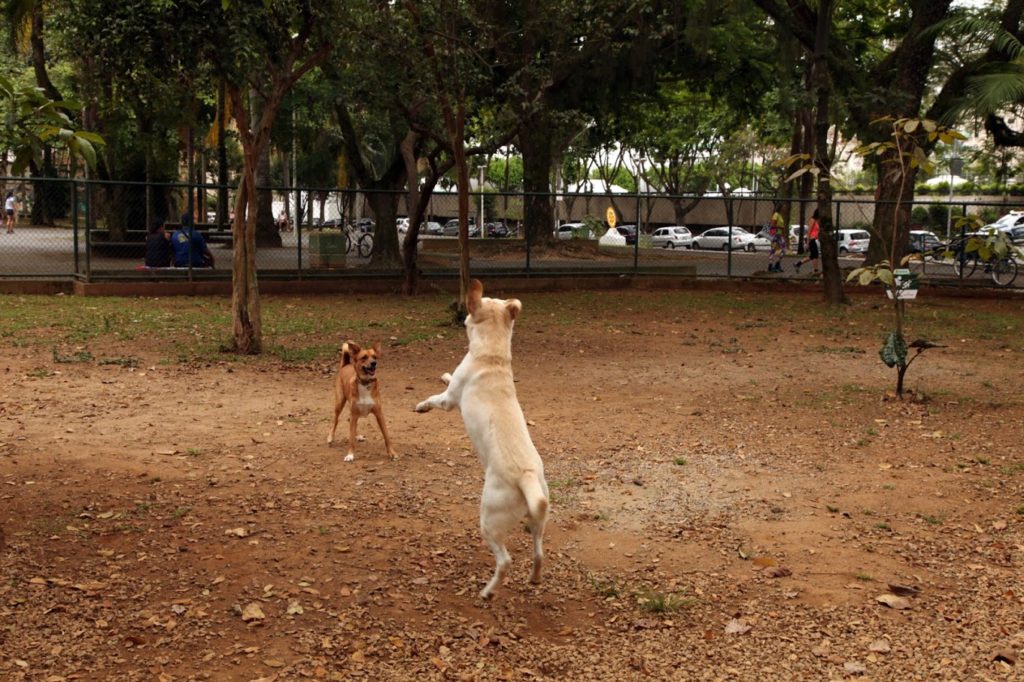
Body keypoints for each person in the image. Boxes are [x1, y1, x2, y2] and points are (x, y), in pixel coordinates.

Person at [794, 209, 821, 275]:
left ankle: (798, 264)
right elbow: (809, 232)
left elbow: (816, 232)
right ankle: (816, 270)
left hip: (813, 239)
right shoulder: (812, 220)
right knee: (815, 255)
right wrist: (807, 243)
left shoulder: (817, 221)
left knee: (812, 256)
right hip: (810, 239)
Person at [767, 202, 787, 273]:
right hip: (775, 234)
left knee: (784, 249)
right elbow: (772, 225)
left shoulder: (780, 215)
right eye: (783, 207)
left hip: (779, 235)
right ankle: (770, 266)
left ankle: (777, 264)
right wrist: (780, 227)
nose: (784, 208)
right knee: (773, 250)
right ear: (780, 207)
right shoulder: (776, 214)